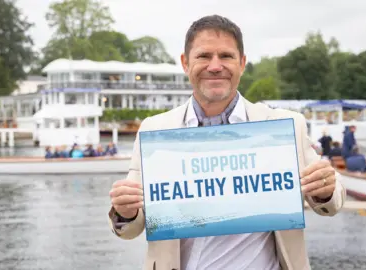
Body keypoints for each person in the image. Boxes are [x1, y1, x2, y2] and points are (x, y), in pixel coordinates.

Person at [107, 15, 346, 270]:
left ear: (242, 63)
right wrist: (125, 211)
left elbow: (333, 202)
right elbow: (130, 228)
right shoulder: (154, 131)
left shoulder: (284, 127)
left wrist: (325, 189)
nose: (215, 66)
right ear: (185, 63)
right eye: (204, 56)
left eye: (226, 56)